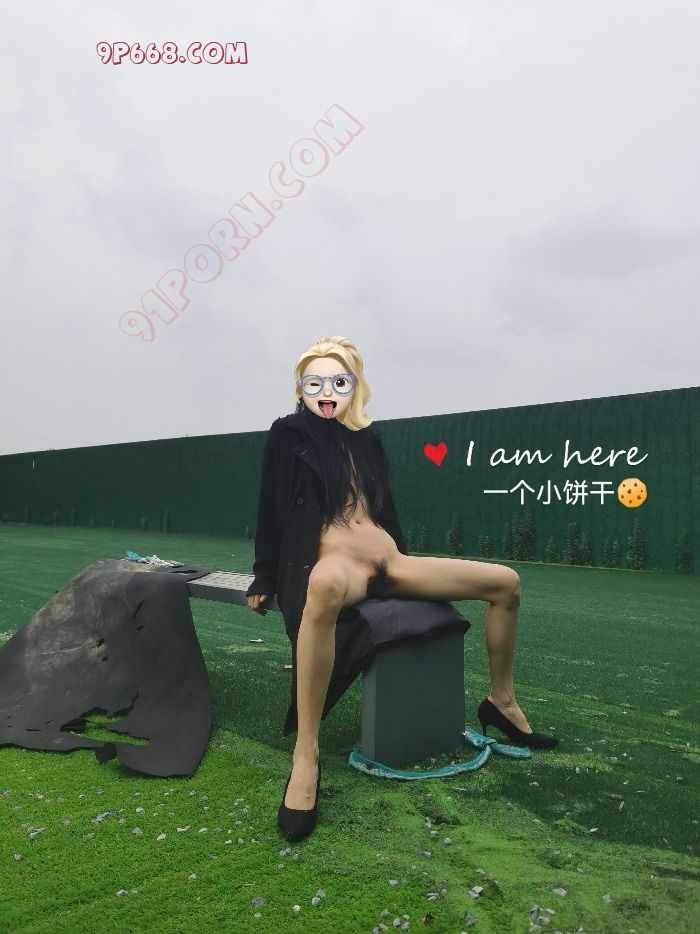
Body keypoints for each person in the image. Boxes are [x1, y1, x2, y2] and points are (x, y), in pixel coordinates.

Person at [246, 335, 558, 842]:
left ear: (354, 385)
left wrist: (409, 571)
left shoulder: (367, 439)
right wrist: (264, 574)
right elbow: (270, 505)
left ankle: (501, 702)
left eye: (338, 381)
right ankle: (307, 752)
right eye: (315, 382)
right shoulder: (288, 433)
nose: (327, 391)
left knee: (506, 584)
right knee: (323, 584)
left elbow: (384, 510)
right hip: (335, 563)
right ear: (301, 387)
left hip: (390, 562)